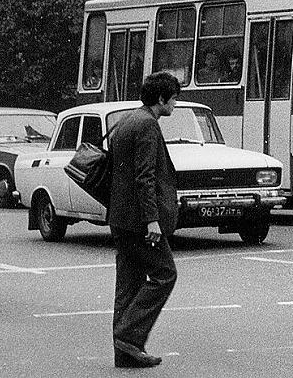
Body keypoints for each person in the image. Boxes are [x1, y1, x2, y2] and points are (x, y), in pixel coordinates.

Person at [107, 72, 181, 368]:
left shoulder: (126, 120)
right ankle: (128, 335)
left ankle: (124, 352)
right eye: (174, 97)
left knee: (128, 283)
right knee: (165, 274)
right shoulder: (148, 125)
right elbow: (144, 177)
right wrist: (152, 220)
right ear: (161, 99)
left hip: (120, 217)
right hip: (140, 220)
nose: (175, 103)